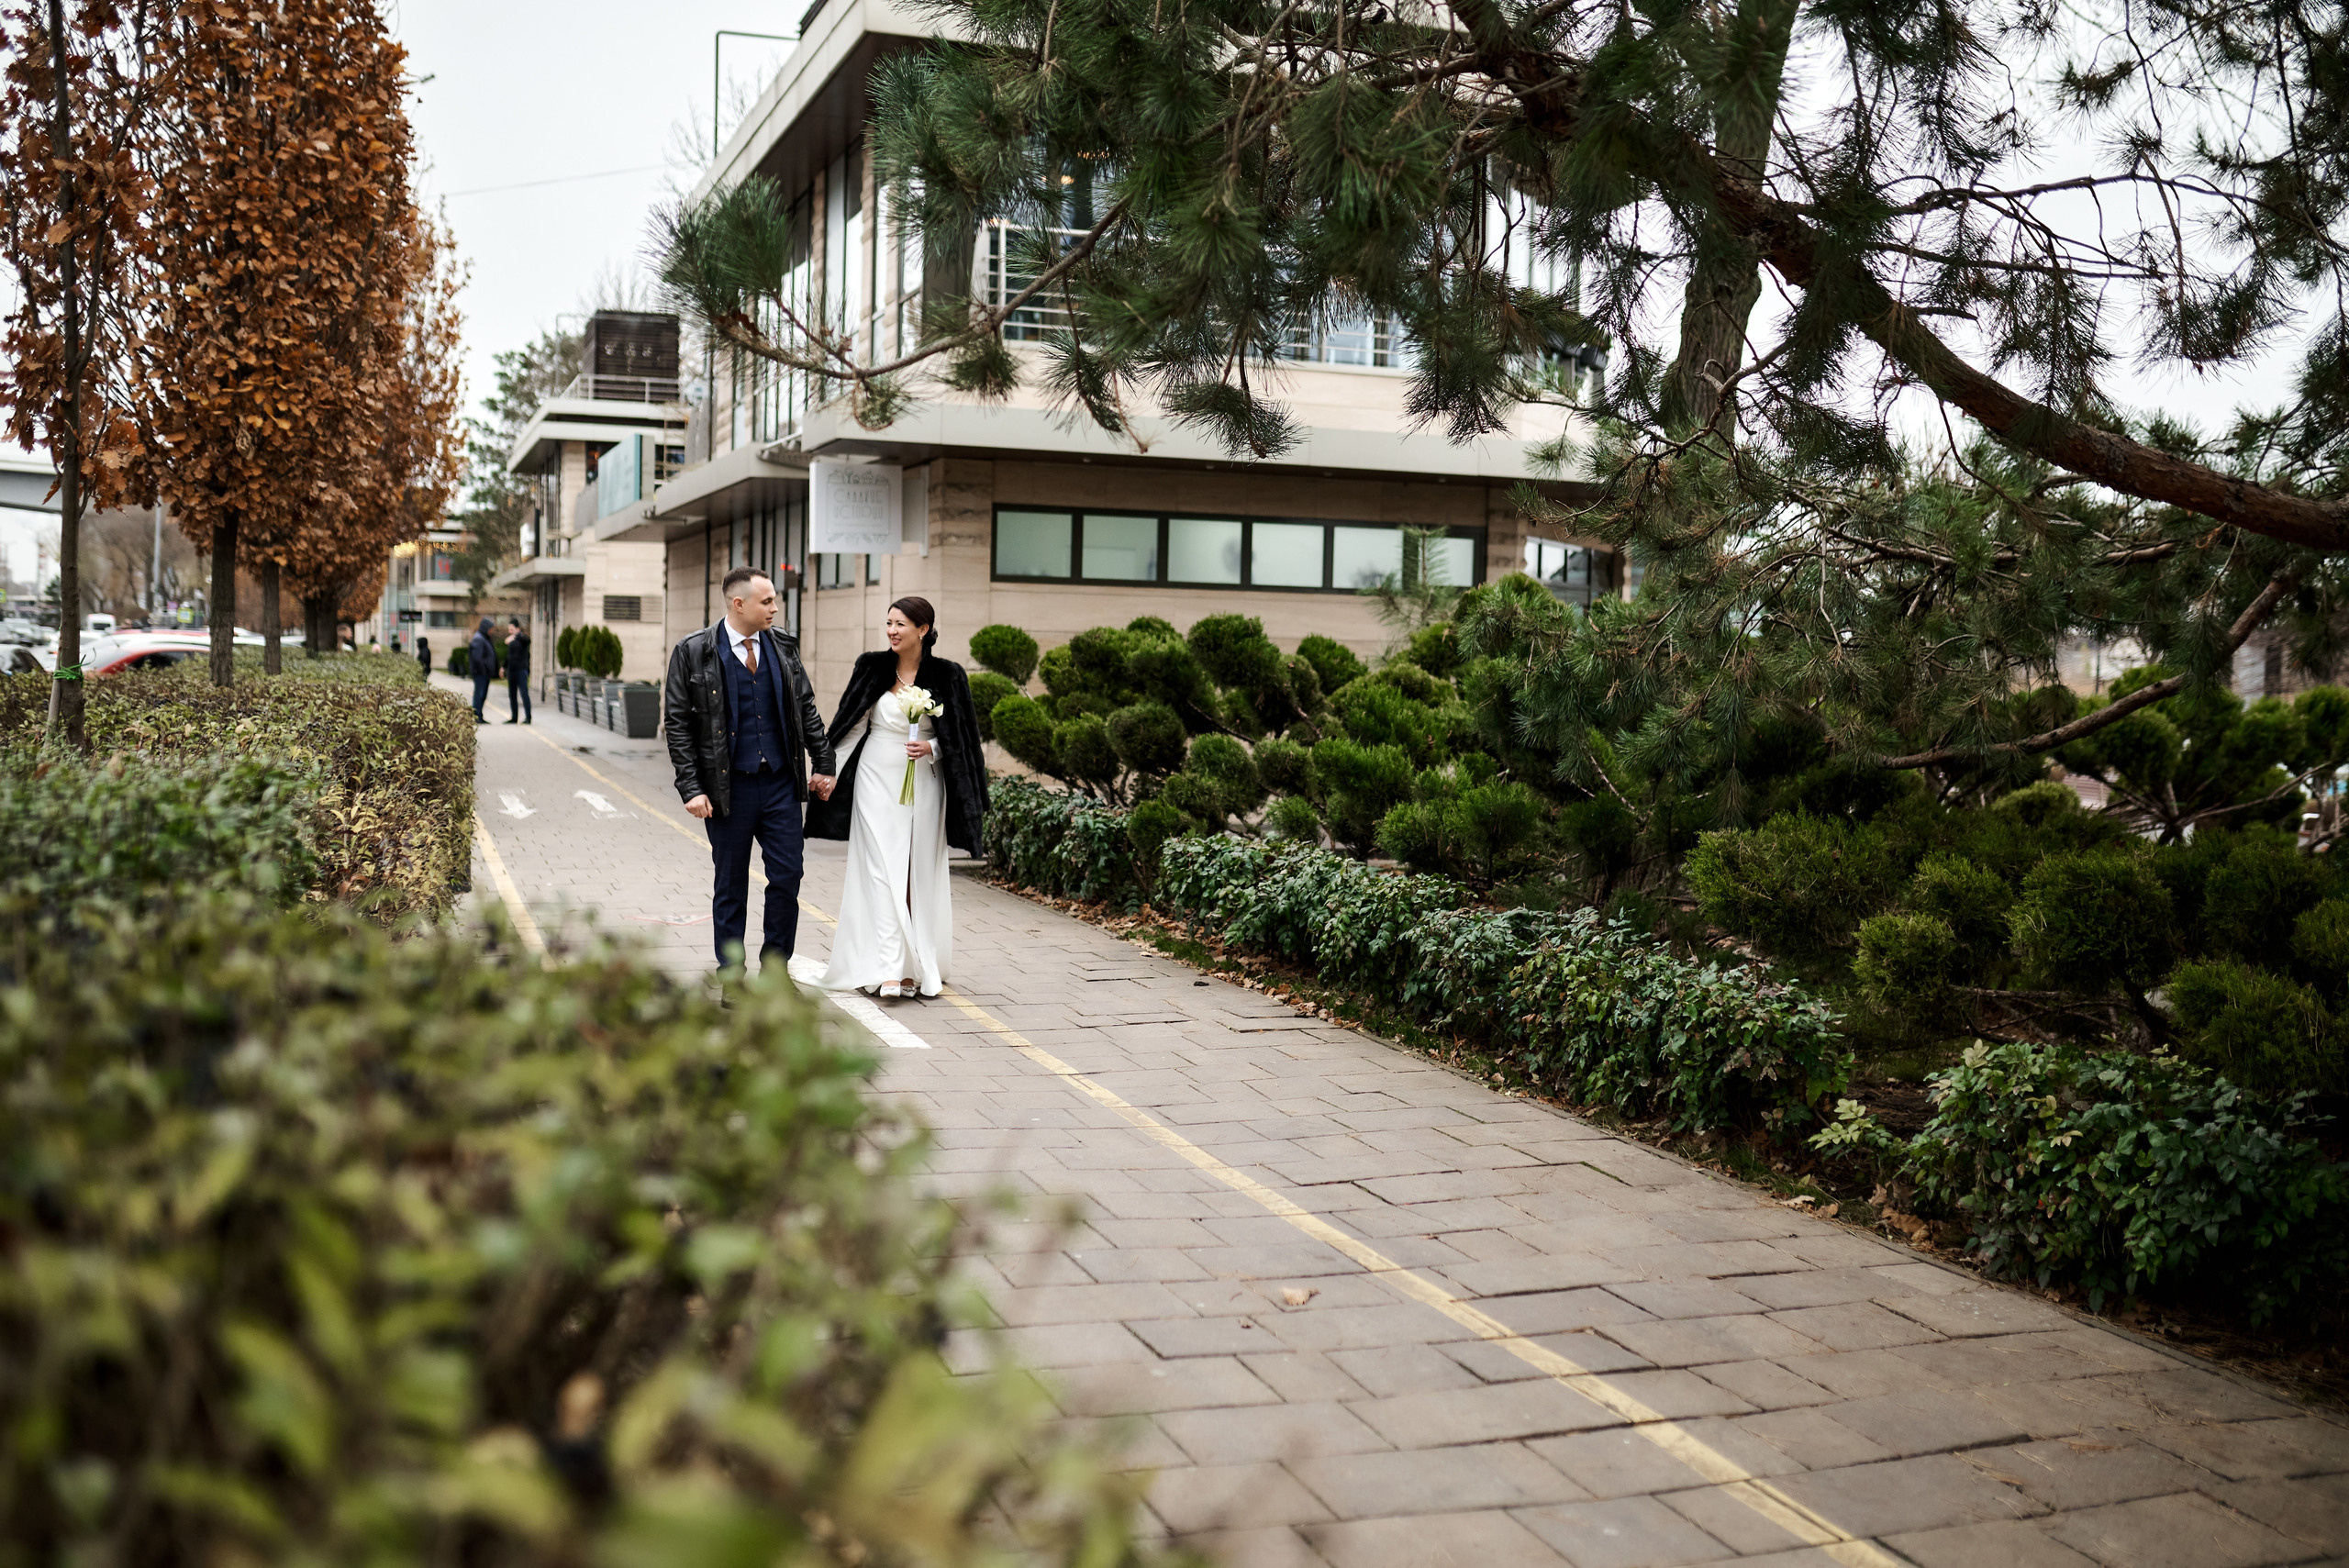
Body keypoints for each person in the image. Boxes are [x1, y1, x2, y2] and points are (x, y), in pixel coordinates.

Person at [805, 596, 989, 999]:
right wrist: (827, 771)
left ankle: (914, 967)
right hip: (875, 775)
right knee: (881, 869)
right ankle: (888, 967)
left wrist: (933, 749)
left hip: (924, 781)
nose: (891, 630)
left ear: (922, 630)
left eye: (900, 624)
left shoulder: (949, 674)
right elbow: (852, 726)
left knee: (915, 871)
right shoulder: (870, 666)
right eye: (888, 623)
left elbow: (961, 738)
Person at [662, 566, 837, 974]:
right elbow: (678, 724)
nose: (775, 608)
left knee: (787, 877)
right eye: (767, 601)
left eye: (775, 600)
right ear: (738, 604)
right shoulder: (694, 651)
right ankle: (732, 975)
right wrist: (691, 788)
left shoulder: (784, 648)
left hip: (780, 784)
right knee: (730, 885)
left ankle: (775, 970)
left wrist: (824, 763)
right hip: (728, 790)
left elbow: (805, 708)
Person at [504, 617, 532, 724]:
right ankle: (514, 717)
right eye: (509, 629)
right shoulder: (511, 640)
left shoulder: (522, 638)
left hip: (521, 670)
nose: (509, 631)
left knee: (524, 693)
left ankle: (528, 717)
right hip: (512, 670)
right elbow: (509, 656)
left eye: (511, 629)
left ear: (517, 629)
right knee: (512, 694)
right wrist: (503, 667)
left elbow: (528, 640)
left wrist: (516, 637)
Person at [468, 617, 495, 724]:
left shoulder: (484, 638)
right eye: (490, 628)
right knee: (479, 694)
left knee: (482, 695)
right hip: (480, 673)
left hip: (484, 673)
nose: (491, 631)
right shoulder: (479, 639)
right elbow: (477, 658)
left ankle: (479, 715)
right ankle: (476, 716)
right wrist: (484, 668)